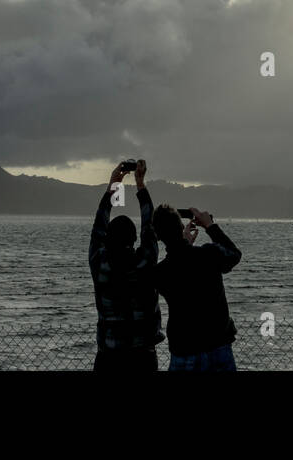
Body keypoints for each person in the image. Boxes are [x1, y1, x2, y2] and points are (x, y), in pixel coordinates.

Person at [89, 159, 163, 371]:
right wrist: (140, 183)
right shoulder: (145, 261)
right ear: (134, 239)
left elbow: (99, 225)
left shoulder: (100, 263)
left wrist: (113, 186)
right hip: (143, 357)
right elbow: (149, 225)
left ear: (108, 239)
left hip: (109, 357)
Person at [151, 203, 242, 371]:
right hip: (218, 346)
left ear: (158, 235)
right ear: (181, 227)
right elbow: (234, 254)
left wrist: (183, 243)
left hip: (184, 349)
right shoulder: (209, 255)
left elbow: (181, 263)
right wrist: (210, 226)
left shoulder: (160, 273)